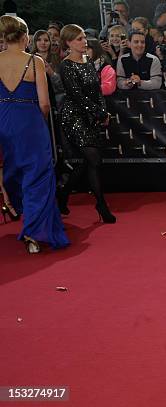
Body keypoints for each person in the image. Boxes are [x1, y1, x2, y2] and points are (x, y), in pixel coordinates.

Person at [0, 15, 69, 252]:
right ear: (25, 36)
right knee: (38, 175)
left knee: (13, 170)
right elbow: (44, 103)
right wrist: (38, 123)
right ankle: (33, 232)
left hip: (3, 122)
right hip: (29, 121)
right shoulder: (35, 61)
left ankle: (21, 211)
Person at [57, 24, 116, 224]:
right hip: (73, 117)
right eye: (79, 39)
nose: (84, 42)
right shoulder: (65, 65)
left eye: (84, 38)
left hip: (90, 116)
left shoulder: (88, 60)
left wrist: (103, 111)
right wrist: (100, 112)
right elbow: (77, 96)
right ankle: (101, 204)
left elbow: (97, 90)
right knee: (93, 158)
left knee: (90, 161)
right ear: (68, 43)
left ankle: (63, 194)